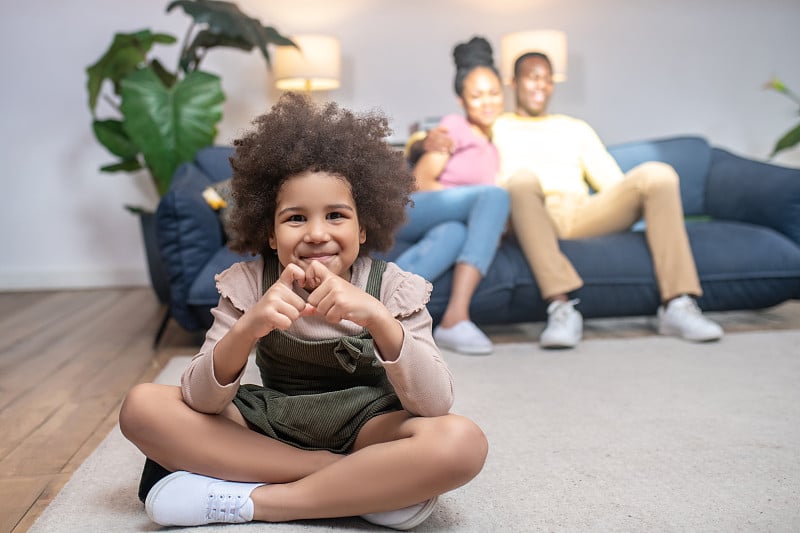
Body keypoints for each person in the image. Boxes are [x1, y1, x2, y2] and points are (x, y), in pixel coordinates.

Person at [119, 93, 488, 530]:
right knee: (142, 406)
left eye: (336, 215)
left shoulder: (394, 287)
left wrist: (379, 320)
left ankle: (259, 502)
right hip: (271, 422)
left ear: (363, 226)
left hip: (367, 429)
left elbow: (434, 403)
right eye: (295, 218)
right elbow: (201, 399)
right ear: (270, 233)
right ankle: (359, 487)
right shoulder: (248, 283)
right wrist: (249, 326)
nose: (317, 234)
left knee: (461, 441)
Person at [424, 51, 723, 349]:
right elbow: (450, 137)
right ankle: (562, 308)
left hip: (583, 211)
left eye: (546, 79)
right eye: (531, 77)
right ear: (513, 83)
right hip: (530, 211)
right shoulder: (495, 125)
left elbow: (614, 184)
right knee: (521, 180)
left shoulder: (575, 127)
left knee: (658, 174)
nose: (539, 85)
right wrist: (420, 142)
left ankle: (677, 304)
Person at [393, 36, 509, 355]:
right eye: (477, 95)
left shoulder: (496, 138)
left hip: (444, 220)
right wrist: (475, 205)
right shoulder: (453, 128)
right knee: (495, 198)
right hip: (412, 209)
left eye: (493, 93)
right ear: (461, 100)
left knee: (454, 234)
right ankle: (457, 317)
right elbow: (420, 182)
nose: (487, 102)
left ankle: (379, 308)